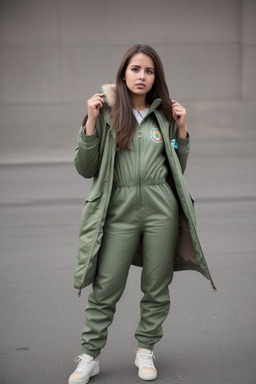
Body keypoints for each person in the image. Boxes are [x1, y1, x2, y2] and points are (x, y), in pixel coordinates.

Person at [69, 44, 216, 384]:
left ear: (155, 77)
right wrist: (90, 121)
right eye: (136, 69)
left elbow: (176, 168)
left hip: (160, 209)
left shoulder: (163, 115)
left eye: (149, 71)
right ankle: (89, 356)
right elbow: (85, 167)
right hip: (119, 209)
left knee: (157, 285)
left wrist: (181, 129)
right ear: (123, 73)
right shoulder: (106, 113)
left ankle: (145, 349)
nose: (142, 76)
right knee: (105, 287)